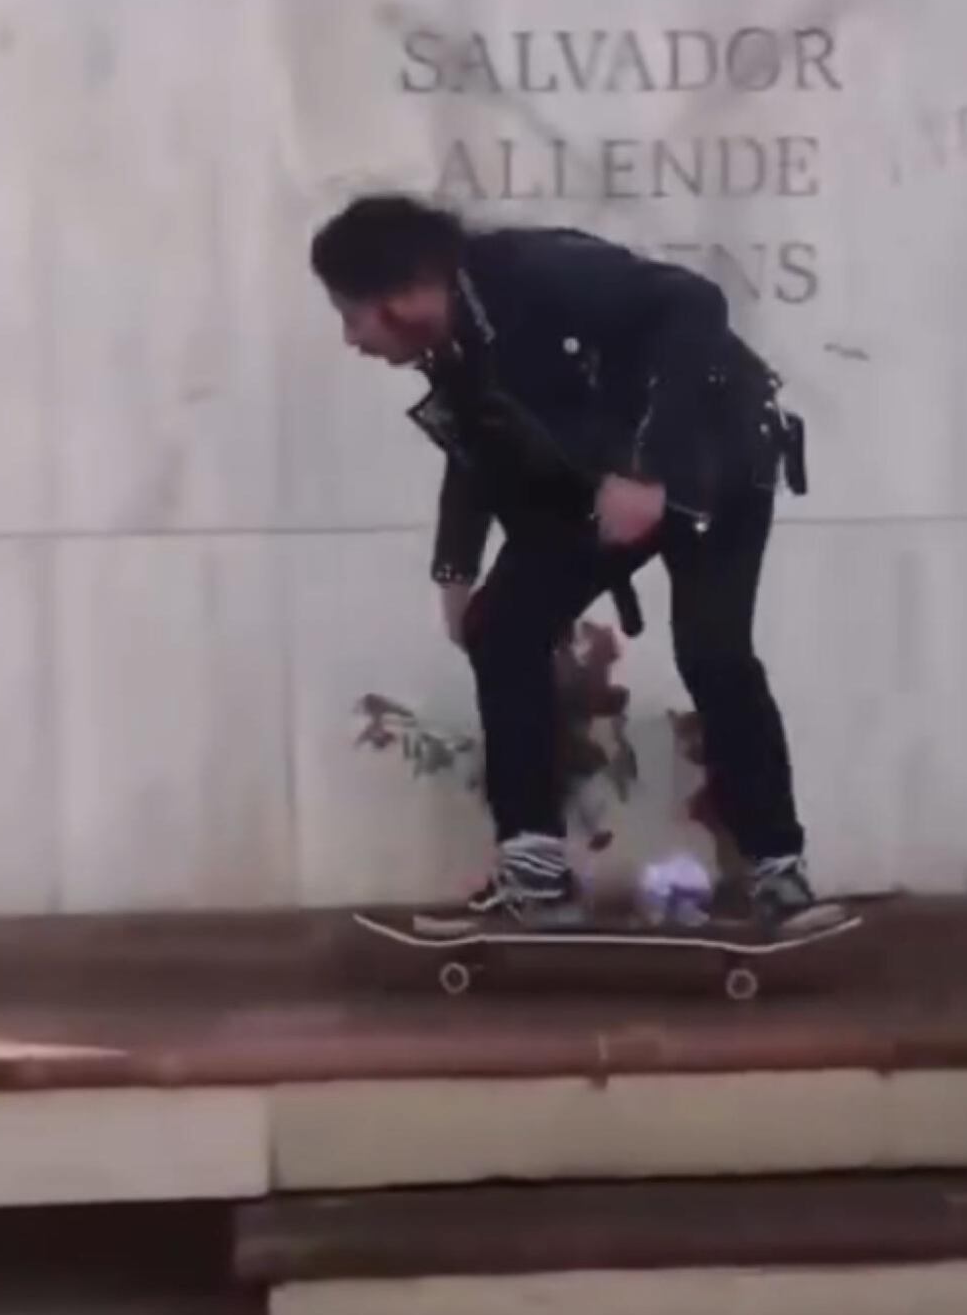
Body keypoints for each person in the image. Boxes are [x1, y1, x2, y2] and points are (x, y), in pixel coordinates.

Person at [309, 193, 846, 942]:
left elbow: (694, 302)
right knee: (503, 628)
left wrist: (653, 471)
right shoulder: (455, 343)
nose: (351, 338)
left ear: (402, 294)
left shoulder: (532, 271)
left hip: (719, 459)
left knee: (714, 652)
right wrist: (455, 575)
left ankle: (778, 872)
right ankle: (534, 875)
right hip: (611, 485)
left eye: (351, 313)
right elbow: (478, 456)